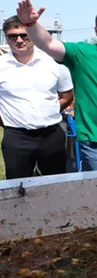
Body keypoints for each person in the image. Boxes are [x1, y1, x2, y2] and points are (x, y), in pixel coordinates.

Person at [16, 0, 97, 171]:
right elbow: (49, 44)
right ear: (96, 31)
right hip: (94, 140)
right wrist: (30, 24)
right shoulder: (82, 53)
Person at [0, 16, 73, 179]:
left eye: (24, 35)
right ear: (6, 37)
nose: (19, 40)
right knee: (17, 189)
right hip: (17, 138)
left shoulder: (54, 64)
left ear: (32, 35)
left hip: (52, 135)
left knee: (56, 185)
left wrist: (51, 110)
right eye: (13, 36)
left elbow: (67, 96)